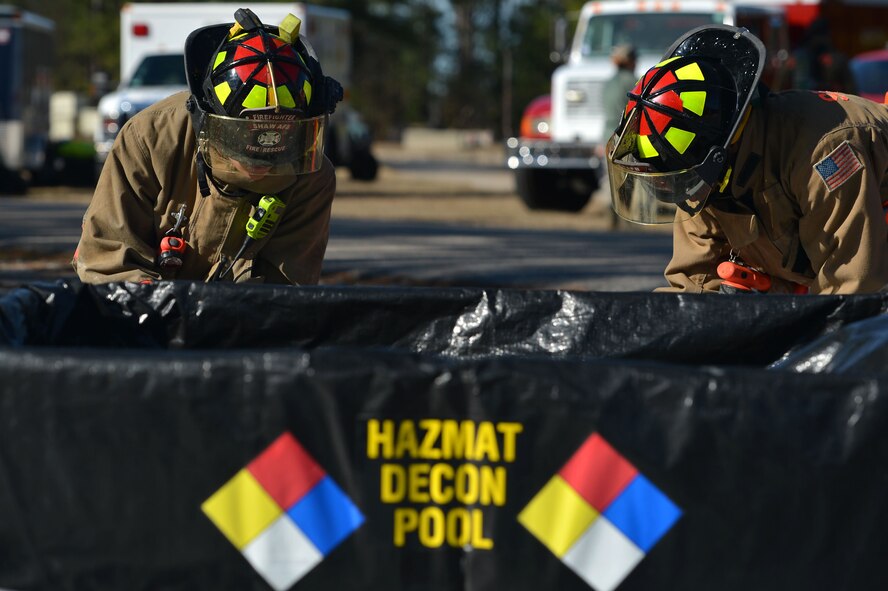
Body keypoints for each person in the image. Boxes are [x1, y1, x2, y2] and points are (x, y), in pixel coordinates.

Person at [605, 24, 888, 295]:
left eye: (677, 180)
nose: (678, 193)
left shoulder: (826, 153)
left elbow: (851, 289)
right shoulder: (701, 180)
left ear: (720, 153)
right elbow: (691, 289)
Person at [73, 8, 343, 284]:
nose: (260, 155)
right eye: (243, 135)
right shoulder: (150, 139)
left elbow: (282, 298)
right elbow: (108, 263)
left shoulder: (311, 179)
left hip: (240, 322)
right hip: (143, 320)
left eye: (279, 137)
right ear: (208, 121)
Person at [789, 17, 857, 94]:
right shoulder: (836, 58)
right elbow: (850, 89)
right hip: (825, 100)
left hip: (807, 99)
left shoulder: (798, 56)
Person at [602, 44, 638, 139]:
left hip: (608, 134)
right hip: (623, 135)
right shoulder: (632, 81)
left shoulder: (609, 82)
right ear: (630, 62)